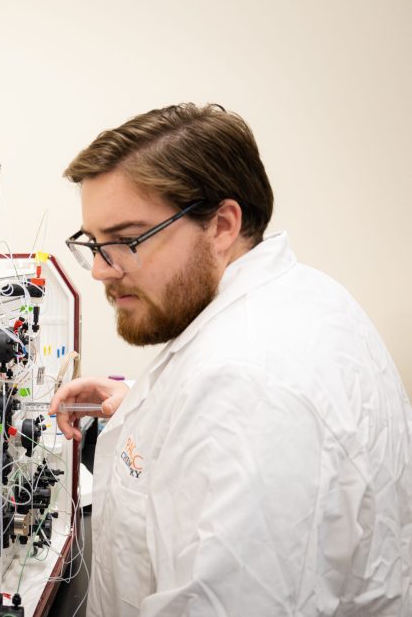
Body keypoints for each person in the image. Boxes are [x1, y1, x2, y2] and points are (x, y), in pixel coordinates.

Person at [51, 103, 412, 616]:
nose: (101, 271)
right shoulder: (304, 296)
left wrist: (197, 411)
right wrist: (150, 413)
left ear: (221, 225)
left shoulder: (246, 388)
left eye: (127, 240)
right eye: (94, 243)